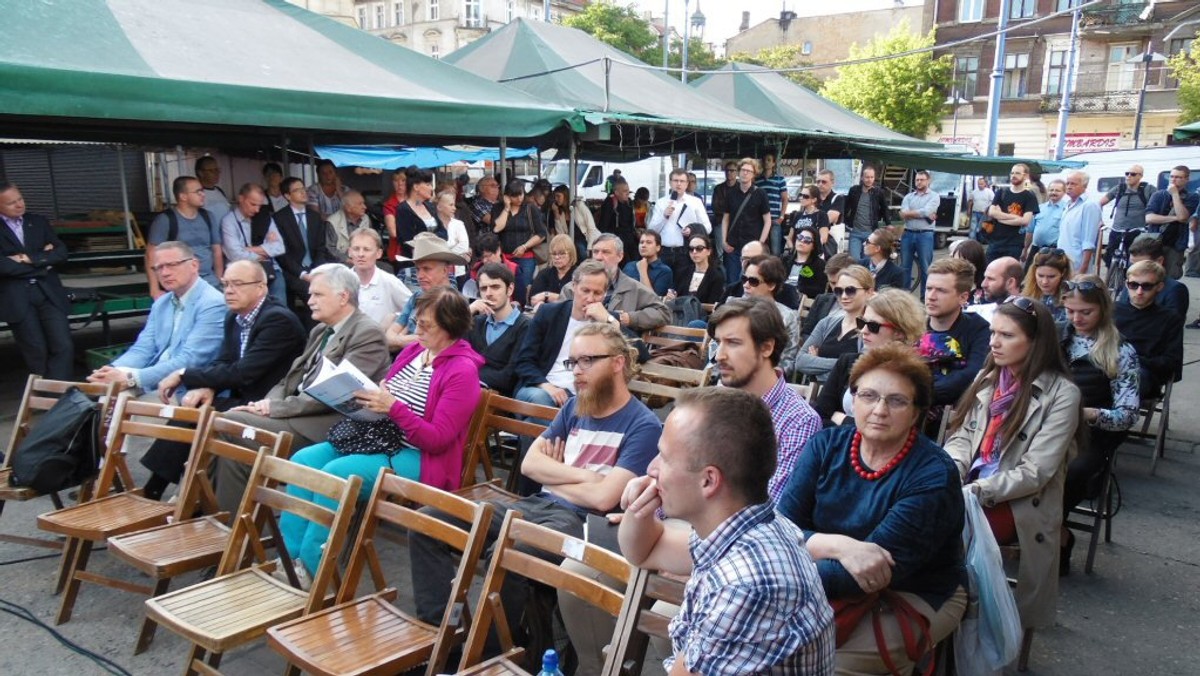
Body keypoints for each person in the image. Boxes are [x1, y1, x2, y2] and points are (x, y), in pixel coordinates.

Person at [410, 323, 661, 635]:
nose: (576, 372)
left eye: (587, 361)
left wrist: (555, 478)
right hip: (537, 504)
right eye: (572, 362)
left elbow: (603, 499)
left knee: (508, 553)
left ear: (618, 362)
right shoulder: (574, 406)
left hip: (581, 523)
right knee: (427, 522)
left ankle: (494, 653)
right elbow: (529, 465)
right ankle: (443, 632)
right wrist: (588, 477)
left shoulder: (644, 425)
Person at [617, 388, 835, 675]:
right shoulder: (743, 527)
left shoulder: (747, 584)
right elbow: (643, 550)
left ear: (709, 480)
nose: (651, 468)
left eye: (664, 458)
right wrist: (638, 509)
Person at [779, 344, 967, 675]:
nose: (879, 409)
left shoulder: (933, 474)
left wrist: (777, 573)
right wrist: (839, 546)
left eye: (896, 400)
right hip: (820, 579)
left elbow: (862, 577)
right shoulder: (826, 444)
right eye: (868, 396)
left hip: (913, 590)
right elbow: (783, 528)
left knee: (819, 667)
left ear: (916, 411)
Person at [280, 287, 483, 580]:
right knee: (302, 461)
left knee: (337, 473)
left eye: (426, 325)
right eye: (416, 322)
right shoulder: (416, 351)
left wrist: (393, 407)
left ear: (450, 327)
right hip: (378, 437)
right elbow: (389, 389)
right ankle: (291, 557)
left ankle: (313, 568)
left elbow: (436, 439)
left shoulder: (462, 372)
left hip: (419, 455)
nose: (417, 331)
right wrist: (366, 394)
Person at [943, 298, 1082, 632]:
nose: (993, 342)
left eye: (1006, 335)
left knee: (941, 531)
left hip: (1017, 501)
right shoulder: (990, 377)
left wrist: (975, 490)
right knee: (912, 512)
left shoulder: (1063, 394)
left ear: (1035, 342)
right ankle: (937, 616)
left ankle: (951, 618)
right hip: (972, 485)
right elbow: (963, 437)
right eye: (993, 332)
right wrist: (952, 470)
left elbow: (1036, 472)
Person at [217, 263, 390, 512]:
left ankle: (225, 523)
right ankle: (228, 524)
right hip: (297, 415)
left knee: (227, 424)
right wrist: (263, 404)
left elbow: (332, 393)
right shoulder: (321, 330)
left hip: (325, 424)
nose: (309, 301)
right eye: (310, 294)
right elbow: (288, 380)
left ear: (343, 297)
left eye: (318, 294)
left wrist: (275, 408)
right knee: (229, 442)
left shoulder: (367, 333)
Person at [141, 260, 306, 499]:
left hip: (269, 405)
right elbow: (223, 361)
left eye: (237, 284)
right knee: (197, 406)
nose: (229, 290)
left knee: (199, 414)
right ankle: (181, 493)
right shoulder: (234, 317)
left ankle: (158, 492)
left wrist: (184, 374)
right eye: (226, 284)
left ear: (261, 287)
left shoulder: (278, 320)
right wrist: (207, 386)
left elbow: (242, 372)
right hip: (243, 400)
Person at [1060, 277, 1140, 573]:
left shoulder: (1121, 351)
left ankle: (1057, 533)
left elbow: (1128, 414)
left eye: (1085, 312)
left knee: (1071, 470)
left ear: (1102, 310)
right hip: (1052, 425)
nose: (1076, 319)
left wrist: (1090, 414)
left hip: (1092, 434)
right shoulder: (1058, 338)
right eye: (1070, 311)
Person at [710, 296, 822, 496]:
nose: (719, 355)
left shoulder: (799, 420)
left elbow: (772, 506)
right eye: (718, 342)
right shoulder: (711, 405)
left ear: (767, 348)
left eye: (733, 343)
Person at [88, 242, 225, 394]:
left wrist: (131, 378)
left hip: (186, 389)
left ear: (194, 265)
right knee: (108, 394)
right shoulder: (162, 303)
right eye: (158, 267)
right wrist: (112, 371)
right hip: (153, 382)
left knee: (117, 401)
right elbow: (143, 348)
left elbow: (190, 360)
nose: (164, 273)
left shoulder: (213, 304)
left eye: (172, 265)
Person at [813, 289, 926, 428]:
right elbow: (819, 415)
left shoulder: (913, 374)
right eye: (862, 322)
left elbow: (898, 429)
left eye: (873, 326)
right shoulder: (847, 362)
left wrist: (842, 419)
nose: (863, 331)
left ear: (899, 333)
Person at [0, 182, 74, 380]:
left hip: (48, 293)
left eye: (20, 199)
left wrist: (27, 259)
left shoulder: (38, 221)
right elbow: (2, 266)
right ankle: (42, 395)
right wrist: (42, 262)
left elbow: (61, 253)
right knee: (36, 349)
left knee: (63, 344)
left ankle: (59, 394)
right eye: (11, 203)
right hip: (17, 297)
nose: (18, 205)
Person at [514, 261, 612, 408]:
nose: (590, 298)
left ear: (605, 294)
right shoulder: (549, 313)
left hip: (581, 394)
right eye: (585, 290)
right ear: (574, 286)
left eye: (597, 293)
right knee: (541, 400)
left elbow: (641, 353)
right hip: (540, 386)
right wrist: (546, 386)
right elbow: (524, 360)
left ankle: (534, 430)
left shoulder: (607, 321)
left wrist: (609, 320)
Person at [560, 234, 671, 335]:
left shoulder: (633, 288)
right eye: (595, 252)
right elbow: (559, 320)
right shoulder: (572, 288)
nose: (598, 257)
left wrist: (627, 318)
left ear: (620, 256)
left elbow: (663, 313)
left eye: (605, 252)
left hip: (617, 348)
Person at [918, 257, 992, 409]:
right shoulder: (912, 325)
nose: (931, 296)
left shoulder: (979, 330)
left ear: (963, 297)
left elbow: (972, 375)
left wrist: (914, 393)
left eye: (941, 291)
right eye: (928, 288)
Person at [1115, 260, 1183, 399]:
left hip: (1144, 373)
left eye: (1146, 286)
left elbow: (1172, 362)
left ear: (1159, 287)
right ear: (1126, 284)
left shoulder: (1169, 318)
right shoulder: (1111, 310)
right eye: (1133, 285)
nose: (1139, 292)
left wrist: (1133, 360)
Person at [385, 233, 465, 351]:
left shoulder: (454, 303)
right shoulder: (417, 297)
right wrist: (407, 339)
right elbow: (388, 337)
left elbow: (438, 340)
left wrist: (400, 338)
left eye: (427, 269)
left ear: (444, 270)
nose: (420, 276)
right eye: (417, 269)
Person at [273, 176, 336, 327]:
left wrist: (317, 269)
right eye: (297, 190)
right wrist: (302, 273)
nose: (303, 192)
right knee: (312, 294)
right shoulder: (279, 218)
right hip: (293, 271)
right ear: (287, 196)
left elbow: (321, 248)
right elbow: (282, 254)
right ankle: (311, 335)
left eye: (303, 188)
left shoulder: (314, 216)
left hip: (314, 267)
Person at [146, 175, 223, 295]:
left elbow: (216, 250)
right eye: (198, 191)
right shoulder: (165, 220)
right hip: (179, 284)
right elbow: (151, 255)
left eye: (202, 191)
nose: (203, 194)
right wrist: (154, 289)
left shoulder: (208, 217)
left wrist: (219, 279)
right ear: (183, 196)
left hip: (210, 282)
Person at [794, 264, 875, 380]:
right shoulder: (827, 322)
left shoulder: (872, 328)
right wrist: (843, 365)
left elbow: (862, 369)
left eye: (850, 290)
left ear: (869, 292)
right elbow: (800, 362)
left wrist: (816, 365)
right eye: (838, 291)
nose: (844, 296)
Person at [468, 262, 530, 396]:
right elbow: (449, 350)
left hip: (500, 402)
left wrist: (466, 372)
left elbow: (510, 377)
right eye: (483, 288)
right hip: (467, 393)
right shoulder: (475, 323)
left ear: (510, 289)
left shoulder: (525, 326)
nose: (488, 293)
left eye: (495, 287)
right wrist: (468, 311)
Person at [221, 183, 287, 304]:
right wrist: (264, 252)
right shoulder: (229, 221)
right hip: (242, 272)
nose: (257, 209)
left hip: (270, 270)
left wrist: (249, 249)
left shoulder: (264, 218)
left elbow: (280, 247)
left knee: (280, 305)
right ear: (241, 199)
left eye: (260, 205)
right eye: (253, 204)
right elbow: (235, 255)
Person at [740, 255, 803, 377]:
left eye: (753, 281)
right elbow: (716, 347)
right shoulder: (732, 308)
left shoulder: (788, 317)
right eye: (744, 279)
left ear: (771, 285)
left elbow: (788, 360)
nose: (745, 285)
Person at [491, 179, 547, 306]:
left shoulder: (530, 208)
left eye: (521, 194)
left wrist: (525, 246)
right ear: (507, 196)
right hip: (504, 257)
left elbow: (542, 233)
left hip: (525, 257)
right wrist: (506, 208)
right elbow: (496, 228)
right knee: (505, 288)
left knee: (522, 288)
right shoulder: (498, 208)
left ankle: (522, 311)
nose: (519, 198)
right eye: (514, 195)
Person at [648, 168, 712, 270]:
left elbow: (707, 228)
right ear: (670, 182)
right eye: (675, 181)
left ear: (687, 184)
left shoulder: (695, 202)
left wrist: (692, 230)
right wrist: (664, 216)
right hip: (665, 251)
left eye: (682, 181)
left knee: (682, 283)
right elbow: (652, 231)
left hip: (686, 251)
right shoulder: (661, 202)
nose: (678, 184)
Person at [347, 228, 412, 328]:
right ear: (349, 252)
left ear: (379, 253)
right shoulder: (341, 282)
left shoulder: (389, 281)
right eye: (356, 249)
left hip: (379, 342)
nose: (361, 254)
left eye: (366, 249)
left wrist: (393, 320)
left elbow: (414, 309)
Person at [721, 158, 772, 284]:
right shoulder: (731, 193)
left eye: (749, 171)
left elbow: (768, 221)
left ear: (754, 174)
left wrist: (760, 243)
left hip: (752, 245)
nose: (745, 173)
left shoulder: (760, 194)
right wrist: (723, 240)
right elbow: (726, 218)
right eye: (743, 170)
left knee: (750, 280)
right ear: (739, 172)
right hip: (733, 244)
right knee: (732, 281)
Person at [1118, 235, 1189, 321]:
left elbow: (1173, 324)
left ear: (1159, 261)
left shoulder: (1174, 290)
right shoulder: (1132, 282)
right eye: (1132, 264)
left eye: (1143, 264)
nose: (1135, 268)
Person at [1145, 166, 1198, 279]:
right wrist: (1174, 218)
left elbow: (1183, 217)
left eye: (1178, 177)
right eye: (1172, 176)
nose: (1173, 180)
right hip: (1154, 240)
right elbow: (1149, 218)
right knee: (1150, 275)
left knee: (1170, 278)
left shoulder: (1192, 197)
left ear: (1186, 179)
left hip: (1175, 244)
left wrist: (1175, 194)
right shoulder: (1159, 195)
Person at [1098, 164, 1155, 270]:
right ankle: (1111, 278)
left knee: (1134, 260)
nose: (1128, 176)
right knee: (1109, 256)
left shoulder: (1148, 189)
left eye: (1133, 174)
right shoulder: (1119, 188)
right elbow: (1099, 203)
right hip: (1117, 229)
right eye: (1127, 174)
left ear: (1140, 176)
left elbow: (1158, 204)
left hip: (1137, 230)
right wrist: (1100, 220)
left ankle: (1129, 279)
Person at [394, 168, 446, 279]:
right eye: (427, 184)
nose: (431, 188)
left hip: (436, 261)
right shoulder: (403, 209)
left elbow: (444, 232)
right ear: (416, 187)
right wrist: (434, 240)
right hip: (414, 266)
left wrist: (428, 239)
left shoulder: (430, 207)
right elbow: (407, 240)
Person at [985, 163, 1039, 263]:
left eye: (1017, 173)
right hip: (995, 243)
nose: (1013, 175)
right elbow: (991, 212)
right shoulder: (1001, 192)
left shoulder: (1029, 196)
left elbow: (1025, 221)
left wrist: (1000, 217)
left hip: (1014, 245)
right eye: (1012, 173)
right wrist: (1015, 218)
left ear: (1025, 176)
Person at [898, 170, 940, 296]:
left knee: (926, 268)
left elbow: (926, 212)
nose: (919, 182)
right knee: (904, 267)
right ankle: (904, 297)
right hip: (908, 234)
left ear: (928, 181)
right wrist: (920, 213)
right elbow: (902, 214)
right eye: (917, 180)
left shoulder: (934, 196)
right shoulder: (908, 197)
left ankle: (925, 298)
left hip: (925, 235)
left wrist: (910, 213)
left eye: (922, 179)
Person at [801, 253, 855, 341]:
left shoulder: (862, 306)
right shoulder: (821, 300)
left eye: (840, 281)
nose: (837, 287)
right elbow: (806, 331)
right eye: (832, 283)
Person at [1056, 171, 1102, 275]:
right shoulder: (1068, 205)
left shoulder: (1089, 205)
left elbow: (1089, 241)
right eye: (1067, 183)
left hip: (1077, 263)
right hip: (1063, 260)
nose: (1069, 187)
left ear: (1084, 186)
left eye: (1073, 184)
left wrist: (1083, 269)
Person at [844, 165, 890, 259]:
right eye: (867, 177)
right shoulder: (854, 190)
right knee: (854, 260)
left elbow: (885, 208)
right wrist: (845, 222)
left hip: (871, 233)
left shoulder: (878, 192)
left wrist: (888, 223)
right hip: (855, 232)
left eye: (872, 177)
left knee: (868, 261)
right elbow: (846, 207)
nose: (869, 179)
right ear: (862, 178)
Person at [1022, 248, 1072, 329]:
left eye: (1051, 277)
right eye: (1040, 276)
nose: (1044, 282)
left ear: (1063, 273)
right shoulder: (1025, 296)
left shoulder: (1071, 299)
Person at [670, 233, 725, 305]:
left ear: (709, 251)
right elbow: (677, 294)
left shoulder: (716, 276)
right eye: (691, 249)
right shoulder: (683, 272)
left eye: (699, 248)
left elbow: (713, 304)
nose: (694, 252)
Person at [1023, 179, 1066, 265]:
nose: (1053, 192)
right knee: (1028, 275)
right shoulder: (1039, 208)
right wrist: (1025, 249)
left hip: (1053, 251)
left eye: (1057, 190)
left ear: (1064, 192)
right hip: (1036, 249)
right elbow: (1030, 231)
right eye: (1051, 190)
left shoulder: (1066, 209)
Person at [529, 234, 578, 307]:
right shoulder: (544, 274)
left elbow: (576, 300)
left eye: (562, 253)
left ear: (571, 254)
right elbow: (533, 299)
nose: (557, 257)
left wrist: (546, 295)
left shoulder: (579, 275)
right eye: (554, 254)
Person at [597, 177, 639, 263]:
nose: (627, 193)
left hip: (630, 240)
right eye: (624, 191)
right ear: (616, 192)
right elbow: (603, 226)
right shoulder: (610, 203)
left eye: (628, 191)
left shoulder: (629, 202)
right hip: (617, 241)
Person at [324, 190, 371, 263]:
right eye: (360, 204)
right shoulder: (333, 222)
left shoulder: (366, 219)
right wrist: (347, 260)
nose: (365, 207)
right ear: (348, 208)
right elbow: (329, 249)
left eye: (364, 203)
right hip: (340, 264)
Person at [756, 152, 790, 254]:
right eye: (764, 160)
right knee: (761, 249)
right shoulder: (757, 180)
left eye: (769, 160)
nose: (766, 162)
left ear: (774, 163)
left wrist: (781, 217)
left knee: (776, 250)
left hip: (775, 218)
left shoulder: (780, 179)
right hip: (760, 219)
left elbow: (785, 198)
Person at [788, 184, 831, 260]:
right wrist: (793, 250)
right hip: (796, 254)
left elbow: (823, 238)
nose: (801, 198)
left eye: (806, 196)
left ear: (814, 199)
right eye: (800, 195)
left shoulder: (821, 215)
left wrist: (809, 250)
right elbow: (790, 238)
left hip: (813, 255)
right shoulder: (797, 215)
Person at [623, 230, 673, 296]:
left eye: (648, 243)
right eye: (641, 242)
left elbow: (654, 300)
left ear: (658, 247)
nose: (643, 245)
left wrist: (643, 272)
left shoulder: (664, 271)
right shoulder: (629, 266)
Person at [435, 190, 471, 280]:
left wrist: (443, 255)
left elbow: (464, 246)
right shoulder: (433, 224)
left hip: (458, 272)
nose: (454, 208)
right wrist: (454, 251)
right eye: (450, 205)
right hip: (438, 271)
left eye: (454, 205)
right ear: (439, 207)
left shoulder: (458, 224)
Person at [790, 225, 828, 299]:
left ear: (813, 246)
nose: (802, 241)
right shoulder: (784, 260)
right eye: (800, 237)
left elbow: (819, 289)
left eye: (807, 240)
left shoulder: (820, 265)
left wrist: (799, 291)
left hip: (801, 302)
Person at [710, 160, 739, 255]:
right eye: (727, 170)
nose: (729, 173)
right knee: (720, 253)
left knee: (736, 251)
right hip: (720, 222)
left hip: (737, 224)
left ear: (737, 172)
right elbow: (715, 207)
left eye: (732, 170)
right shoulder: (718, 188)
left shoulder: (741, 188)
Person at [382, 168, 409, 262]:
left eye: (403, 180)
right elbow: (393, 232)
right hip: (398, 253)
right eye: (396, 180)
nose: (400, 184)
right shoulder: (389, 204)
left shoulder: (416, 200)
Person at [194, 156, 231, 225]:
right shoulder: (195, 194)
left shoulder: (220, 191)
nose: (216, 173)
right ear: (200, 173)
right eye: (211, 170)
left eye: (217, 170)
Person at [951, 238, 988, 304]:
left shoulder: (985, 288)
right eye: (954, 261)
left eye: (962, 262)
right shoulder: (950, 283)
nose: (956, 266)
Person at [968, 176, 995, 242]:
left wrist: (989, 211)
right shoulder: (974, 192)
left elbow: (993, 202)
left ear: (985, 184)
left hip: (985, 213)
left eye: (981, 184)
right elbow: (970, 201)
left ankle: (982, 240)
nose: (980, 185)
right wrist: (969, 210)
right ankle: (972, 242)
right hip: (975, 212)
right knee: (973, 228)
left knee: (982, 228)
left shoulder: (989, 192)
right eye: (978, 184)